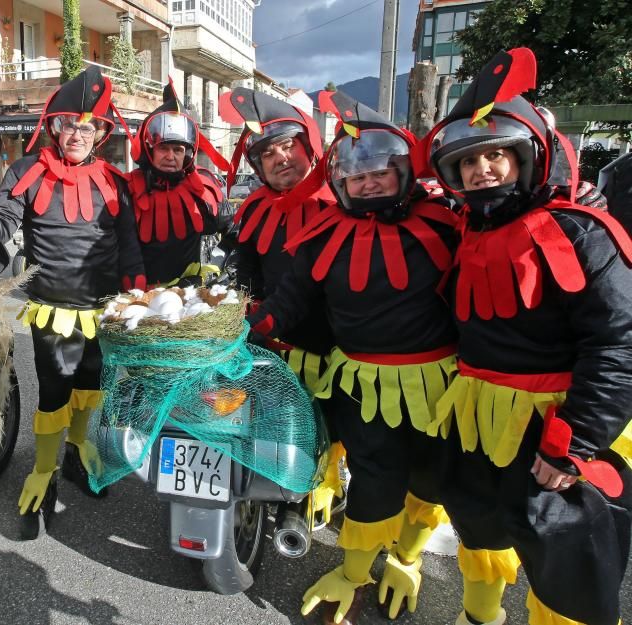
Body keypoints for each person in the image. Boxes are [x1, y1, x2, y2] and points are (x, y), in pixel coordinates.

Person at [422, 48, 632, 625]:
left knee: (564, 560)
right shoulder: (465, 229)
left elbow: (618, 341)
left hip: (556, 425)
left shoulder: (582, 232)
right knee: (478, 530)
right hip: (474, 418)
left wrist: (578, 439)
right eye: (467, 163)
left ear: (528, 158)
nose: (480, 170)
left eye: (496, 156)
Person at [249, 91, 459, 625]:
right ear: (340, 182)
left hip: (441, 384)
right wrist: (247, 329)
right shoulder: (324, 233)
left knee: (430, 481)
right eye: (354, 174)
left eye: (379, 171)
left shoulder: (446, 224)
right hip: (364, 384)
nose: (367, 182)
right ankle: (354, 570)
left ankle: (408, 559)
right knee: (373, 482)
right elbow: (290, 301)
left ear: (401, 172)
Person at [0, 66, 145, 539]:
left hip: (103, 310)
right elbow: (5, 220)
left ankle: (78, 452)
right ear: (54, 127)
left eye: (87, 127)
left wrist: (137, 289)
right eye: (69, 125)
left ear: (101, 133)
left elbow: (128, 243)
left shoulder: (115, 181)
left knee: (91, 383)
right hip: (51, 308)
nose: (77, 134)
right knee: (54, 392)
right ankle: (43, 469)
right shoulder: (26, 170)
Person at [220, 87, 345, 523]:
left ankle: (324, 486)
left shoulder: (340, 203)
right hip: (270, 340)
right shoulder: (253, 207)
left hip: (331, 347)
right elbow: (243, 265)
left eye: (288, 145)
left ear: (308, 145)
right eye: (268, 153)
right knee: (271, 423)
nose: (280, 158)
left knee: (327, 429)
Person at [127, 80, 232, 285]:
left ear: (187, 154)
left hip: (189, 294)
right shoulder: (128, 188)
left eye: (178, 150)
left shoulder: (203, 187)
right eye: (163, 148)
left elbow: (234, 229)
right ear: (150, 150)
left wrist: (227, 267)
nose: (170, 156)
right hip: (137, 295)